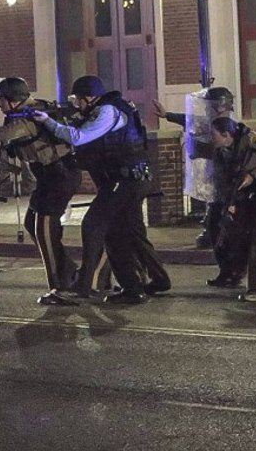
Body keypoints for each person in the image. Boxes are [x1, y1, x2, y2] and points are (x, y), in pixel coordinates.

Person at [35, 75, 169, 304]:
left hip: (123, 180)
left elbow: (79, 137)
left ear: (89, 98)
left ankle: (81, 286)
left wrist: (47, 121)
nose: (77, 105)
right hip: (129, 178)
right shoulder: (112, 108)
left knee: (93, 224)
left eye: (79, 100)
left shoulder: (106, 112)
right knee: (121, 233)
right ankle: (137, 287)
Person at [0, 77, 81, 306]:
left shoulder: (27, 116)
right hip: (47, 177)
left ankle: (60, 288)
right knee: (32, 223)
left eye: (1, 100)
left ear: (13, 100)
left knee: (44, 230)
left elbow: (2, 135)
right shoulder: (20, 114)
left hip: (60, 175)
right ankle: (69, 271)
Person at [153, 87, 242, 286]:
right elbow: (191, 120)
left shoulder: (229, 126)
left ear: (219, 106)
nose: (207, 109)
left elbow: (225, 154)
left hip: (230, 191)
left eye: (210, 105)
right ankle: (228, 272)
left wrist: (200, 150)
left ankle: (234, 272)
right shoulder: (216, 122)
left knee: (227, 233)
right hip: (219, 191)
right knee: (217, 231)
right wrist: (168, 115)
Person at [209, 116, 256, 302]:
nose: (212, 139)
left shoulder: (252, 140)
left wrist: (253, 175)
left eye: (215, 135)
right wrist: (229, 203)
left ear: (226, 134)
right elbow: (223, 180)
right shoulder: (221, 152)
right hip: (245, 191)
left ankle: (254, 289)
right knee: (237, 232)